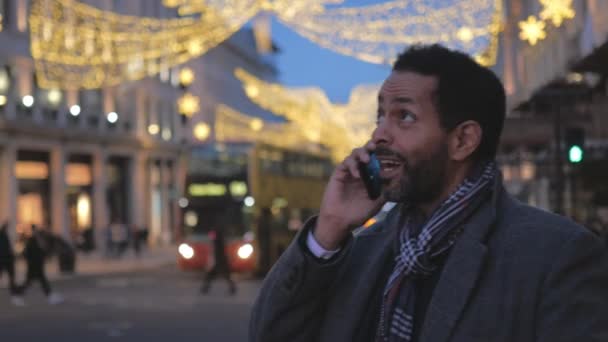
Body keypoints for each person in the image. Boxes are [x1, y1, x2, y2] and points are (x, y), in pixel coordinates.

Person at [249, 44, 608, 342]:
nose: (379, 136)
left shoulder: (555, 255)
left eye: (404, 116)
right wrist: (329, 228)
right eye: (380, 116)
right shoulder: (364, 249)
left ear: (463, 140)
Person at [20, 225, 63, 305]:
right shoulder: (32, 241)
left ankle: (50, 296)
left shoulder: (37, 240)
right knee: (31, 281)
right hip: (34, 266)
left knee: (37, 281)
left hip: (37, 265)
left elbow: (41, 251)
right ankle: (18, 295)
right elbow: (28, 254)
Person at [200, 229, 236, 295]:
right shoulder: (219, 242)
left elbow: (216, 254)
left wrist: (212, 263)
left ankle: (205, 288)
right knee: (222, 276)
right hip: (221, 263)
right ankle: (205, 288)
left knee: (212, 276)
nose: (210, 236)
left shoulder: (217, 242)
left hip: (219, 263)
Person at [0, 222, 24, 306]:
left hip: (7, 260)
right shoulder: (3, 236)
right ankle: (15, 296)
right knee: (12, 279)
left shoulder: (5, 235)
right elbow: (5, 249)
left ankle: (15, 296)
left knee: (12, 279)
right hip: (5, 260)